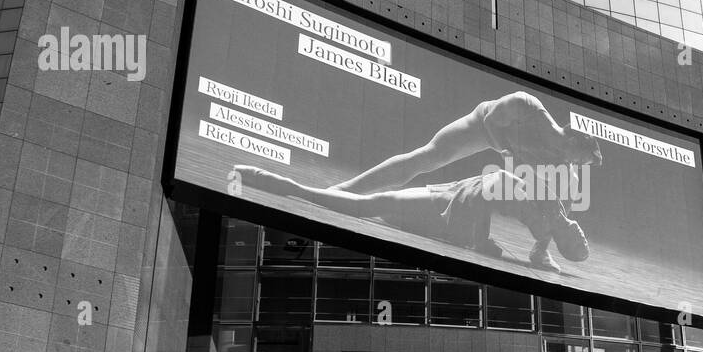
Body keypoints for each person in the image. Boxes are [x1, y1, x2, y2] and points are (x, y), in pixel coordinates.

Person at [234, 166, 590, 273]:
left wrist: (480, 238)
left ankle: (288, 187)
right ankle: (288, 186)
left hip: (455, 208)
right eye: (584, 238)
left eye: (579, 243)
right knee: (381, 206)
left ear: (564, 242)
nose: (582, 235)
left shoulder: (545, 228)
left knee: (371, 205)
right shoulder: (558, 212)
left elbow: (497, 183)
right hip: (459, 194)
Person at [330, 91, 602, 197]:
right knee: (425, 159)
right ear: (574, 140)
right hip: (479, 125)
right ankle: (346, 189)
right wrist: (509, 150)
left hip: (497, 143)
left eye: (582, 164)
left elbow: (566, 188)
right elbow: (492, 122)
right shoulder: (528, 105)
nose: (577, 164)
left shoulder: (561, 158)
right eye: (580, 158)